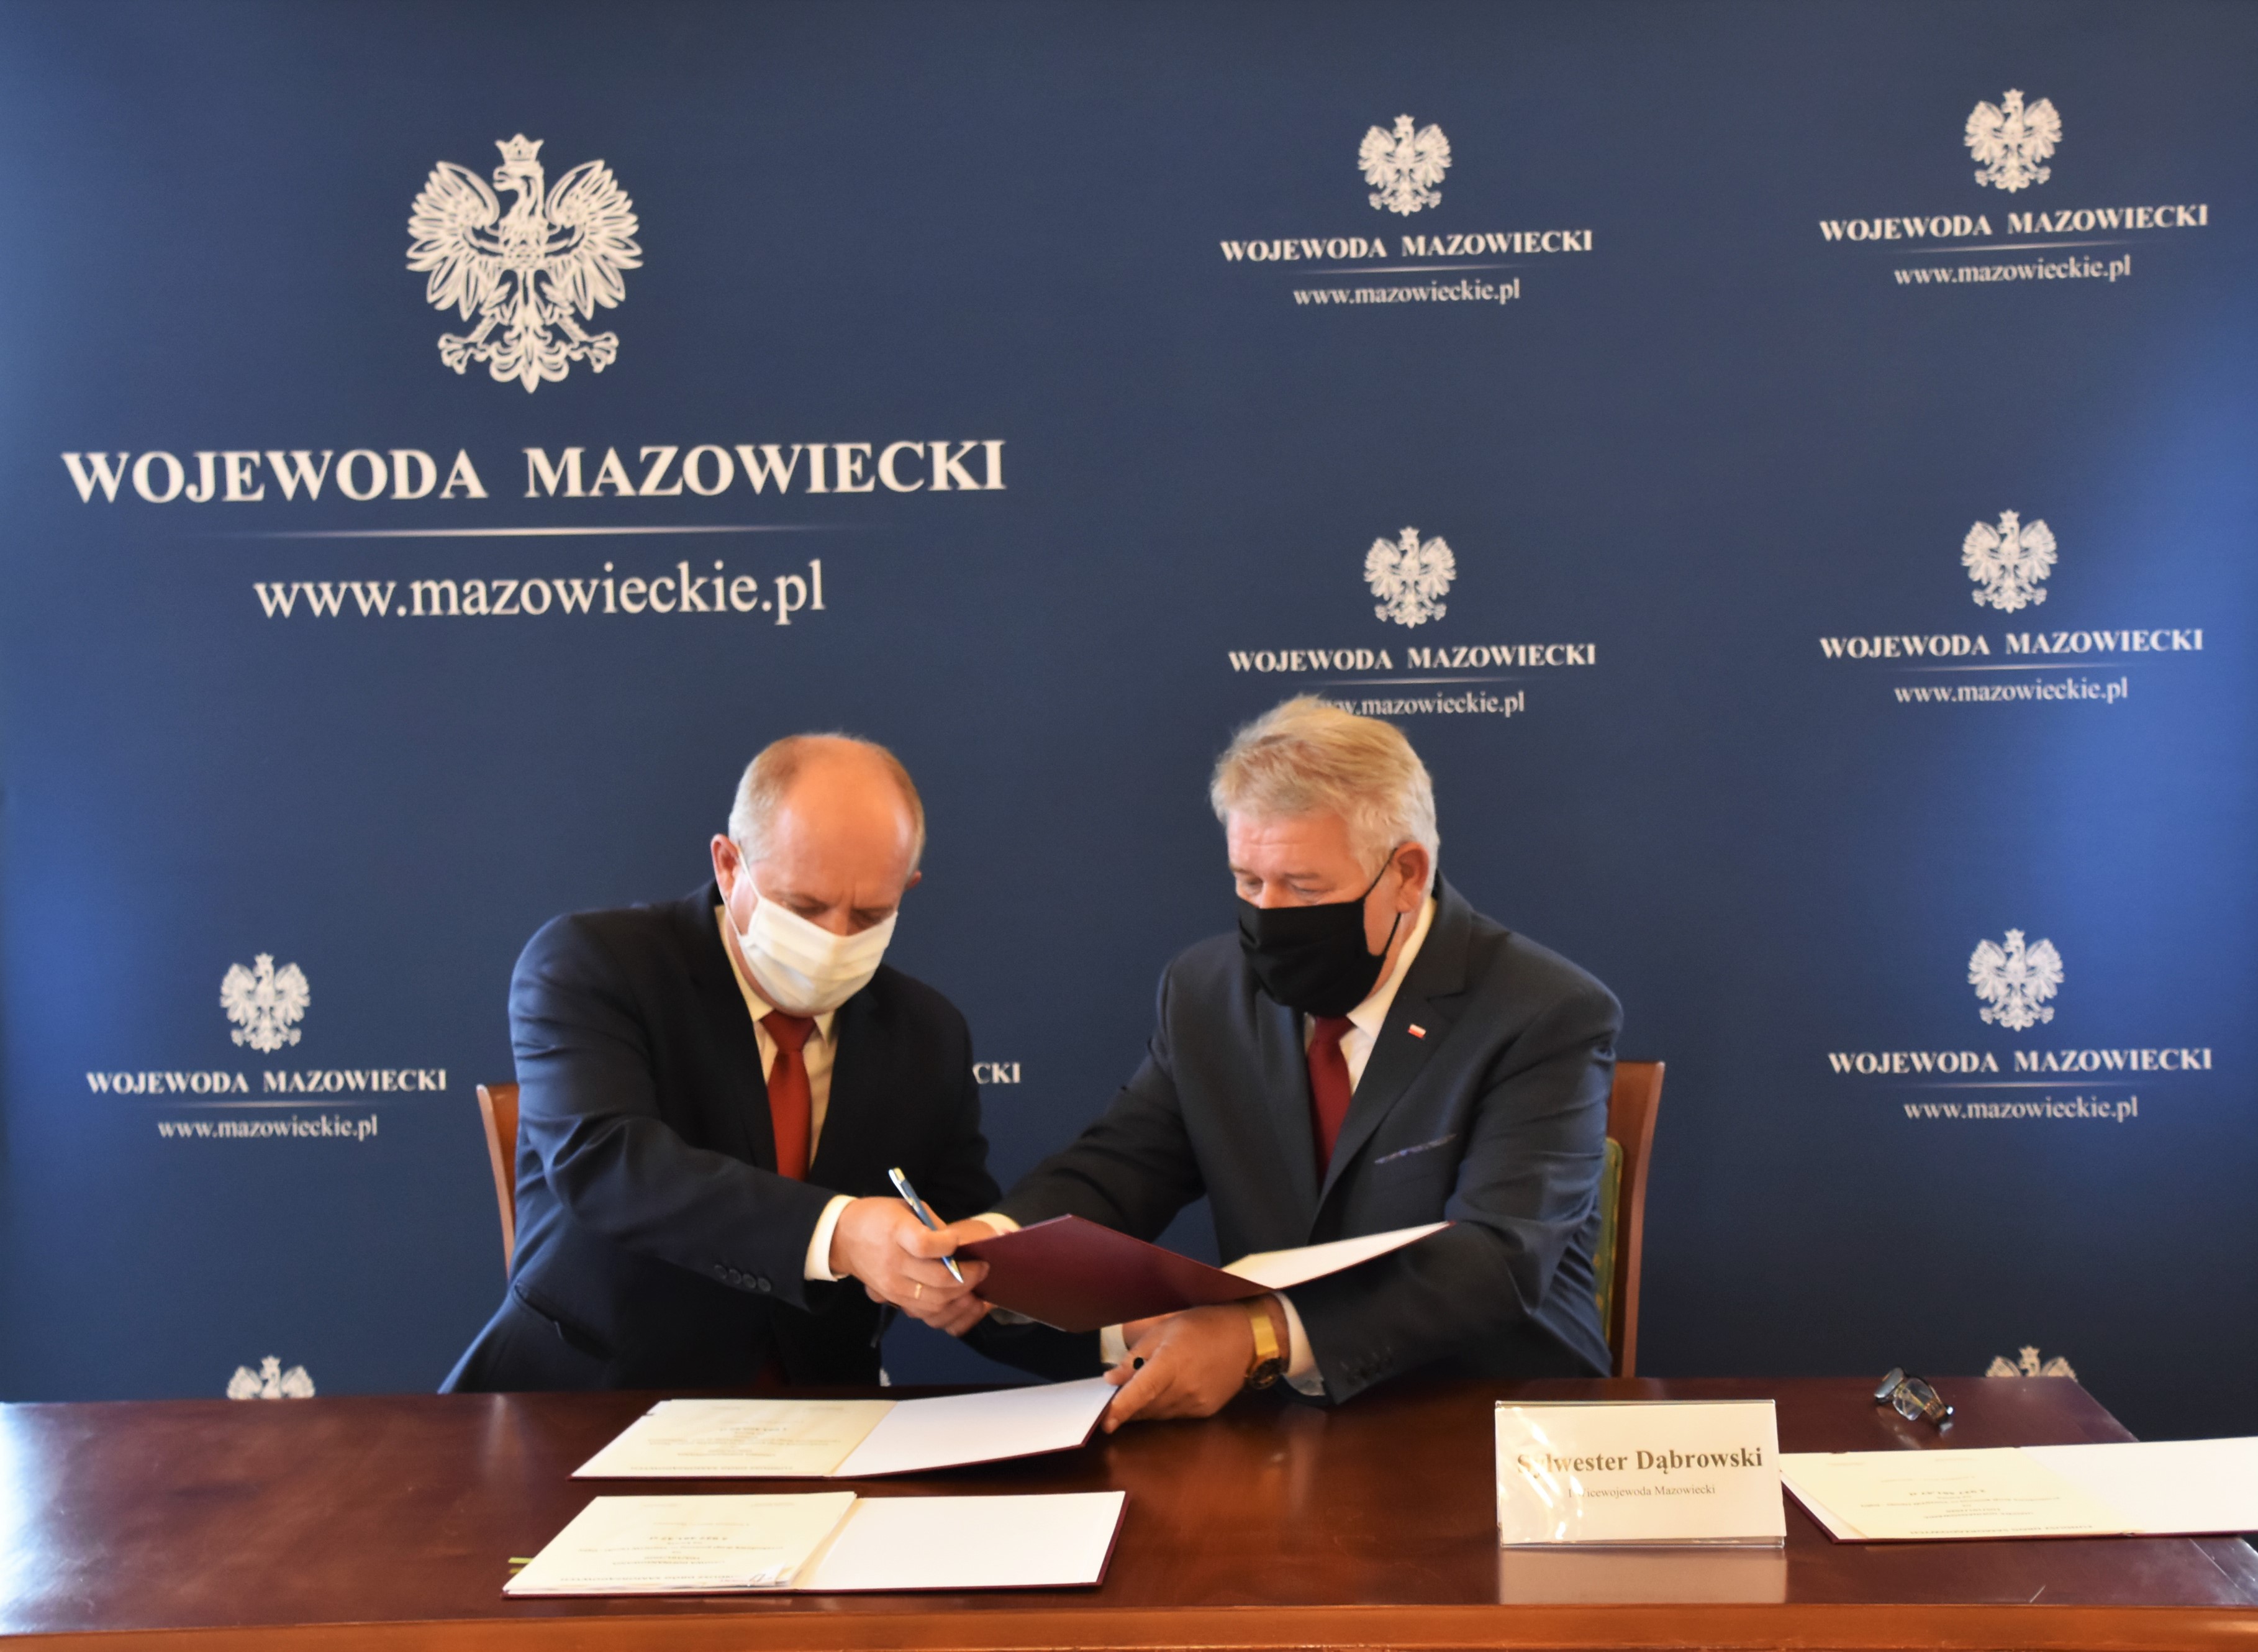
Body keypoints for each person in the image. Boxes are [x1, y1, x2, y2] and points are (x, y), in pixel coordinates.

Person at [946, 696, 1621, 1425]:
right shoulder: (1205, 992)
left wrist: (1259, 1336)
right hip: (1274, 1423)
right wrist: (1000, 1245)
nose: (1268, 915)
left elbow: (1496, 1255)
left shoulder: (1544, 1010)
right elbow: (1123, 1164)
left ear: (1406, 873)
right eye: (1248, 881)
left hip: (1490, 1414)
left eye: (1305, 887)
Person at [443, 734, 993, 1391]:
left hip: (827, 1419)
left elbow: (967, 1238)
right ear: (730, 865)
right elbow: (607, 1162)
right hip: (585, 1406)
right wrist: (840, 1233)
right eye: (804, 907)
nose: (834, 940)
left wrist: (991, 1283)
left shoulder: (928, 1032)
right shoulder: (594, 964)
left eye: (871, 914)